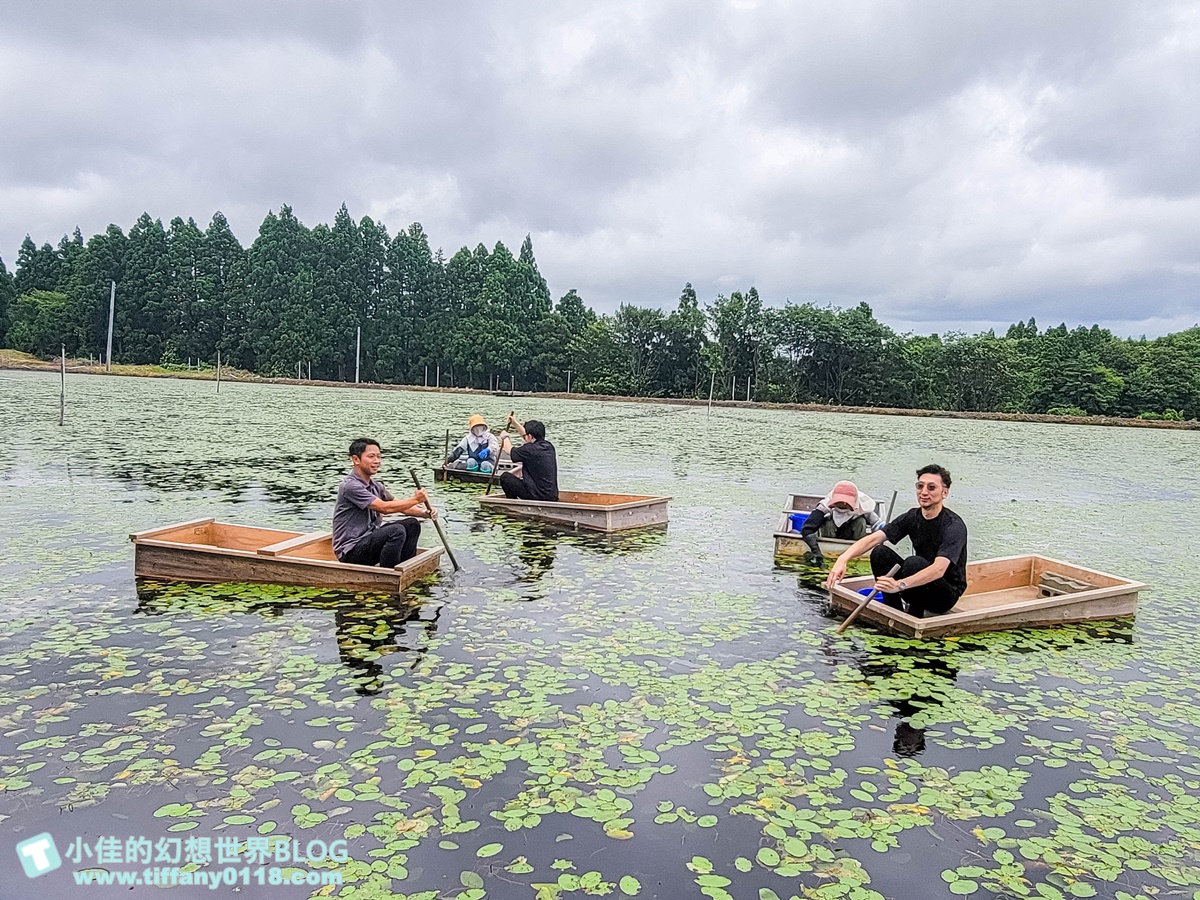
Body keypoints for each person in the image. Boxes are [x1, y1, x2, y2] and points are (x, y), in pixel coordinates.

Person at [825, 464, 968, 618]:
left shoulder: (953, 526)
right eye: (920, 486)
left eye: (931, 488)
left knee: (914, 563)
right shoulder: (912, 517)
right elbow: (874, 538)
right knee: (880, 552)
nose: (924, 492)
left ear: (944, 492)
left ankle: (915, 615)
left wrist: (899, 585)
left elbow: (939, 569)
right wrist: (843, 558)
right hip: (914, 584)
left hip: (943, 595)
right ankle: (893, 611)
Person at [332, 438, 436, 568]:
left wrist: (424, 513)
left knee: (412, 524)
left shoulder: (375, 486)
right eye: (371, 457)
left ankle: (405, 566)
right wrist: (415, 499)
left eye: (379, 457)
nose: (376, 461)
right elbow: (384, 508)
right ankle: (389, 573)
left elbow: (398, 505)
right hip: (351, 551)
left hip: (368, 540)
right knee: (396, 531)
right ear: (356, 460)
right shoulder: (350, 486)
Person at [798, 480, 882, 565]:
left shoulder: (863, 507)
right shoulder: (824, 507)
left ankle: (858, 549)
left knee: (861, 521)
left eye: (846, 503)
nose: (843, 505)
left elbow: (877, 524)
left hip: (853, 538)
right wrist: (816, 551)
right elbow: (807, 529)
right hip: (830, 536)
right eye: (839, 502)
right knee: (828, 523)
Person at [498, 414, 559, 501]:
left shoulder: (529, 449)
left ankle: (512, 502)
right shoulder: (549, 446)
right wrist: (514, 423)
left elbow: (509, 450)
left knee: (505, 478)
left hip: (537, 496)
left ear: (530, 436)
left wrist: (505, 437)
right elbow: (527, 436)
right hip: (551, 495)